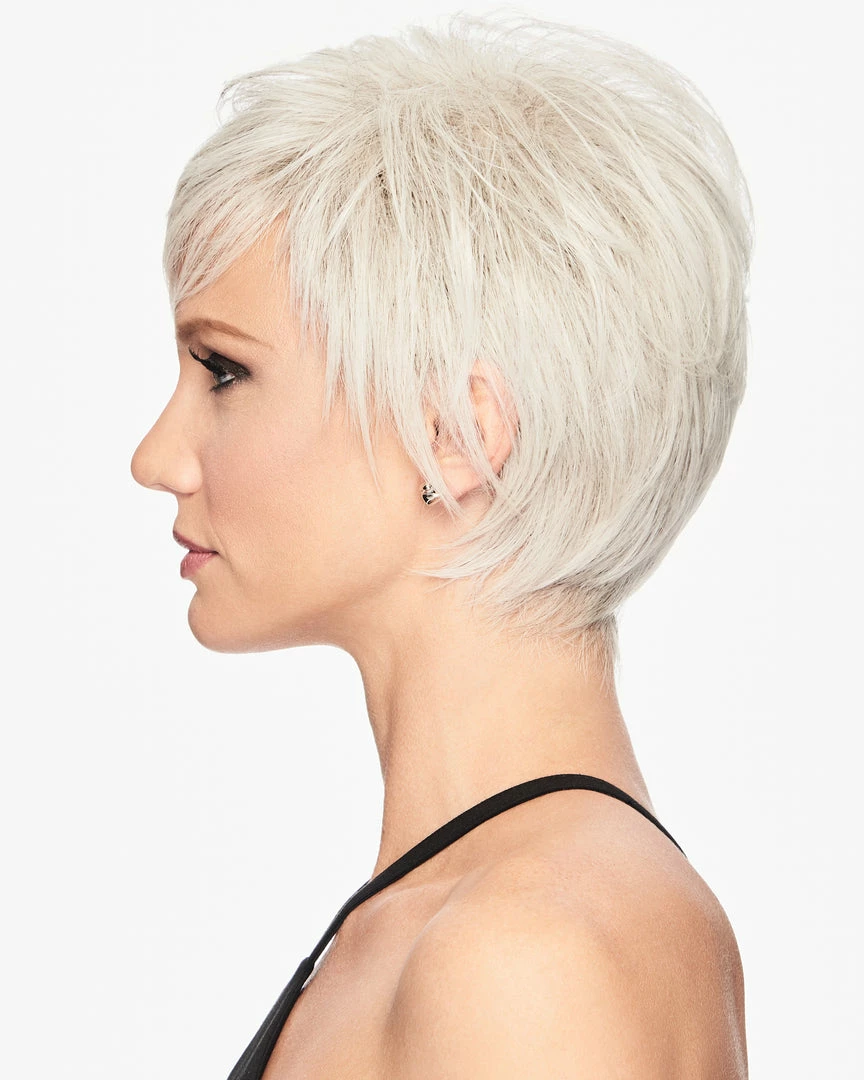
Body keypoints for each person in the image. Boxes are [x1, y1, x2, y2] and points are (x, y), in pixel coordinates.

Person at [131, 12, 752, 1078]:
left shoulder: (529, 951)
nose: (156, 456)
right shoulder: (476, 911)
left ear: (456, 435)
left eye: (224, 371)